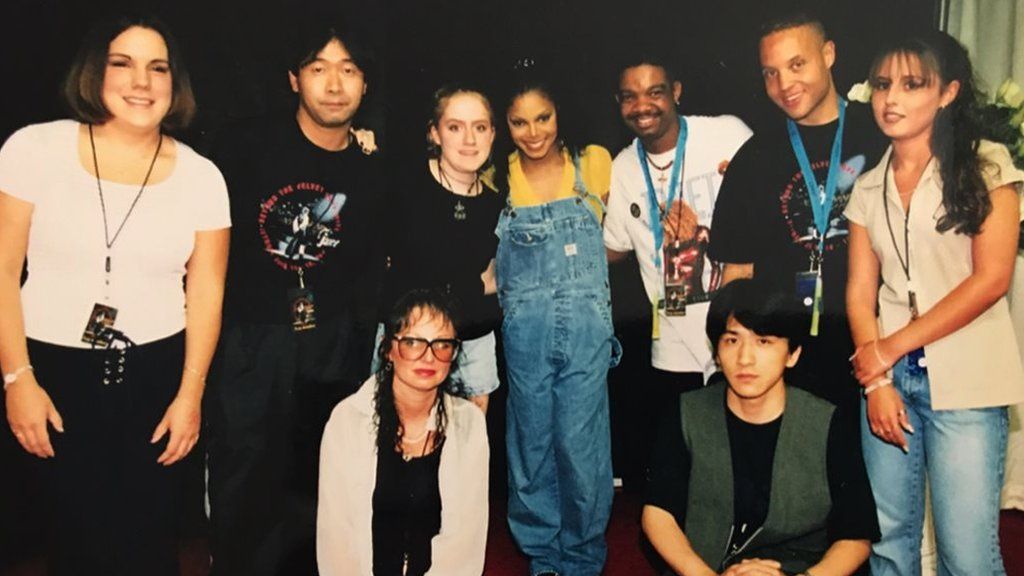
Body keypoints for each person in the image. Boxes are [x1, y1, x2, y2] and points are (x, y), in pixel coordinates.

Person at [0, 14, 230, 575]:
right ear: (92, 73)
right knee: (72, 542)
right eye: (122, 64)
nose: (142, 82)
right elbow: (4, 272)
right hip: (51, 374)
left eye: (158, 68)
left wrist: (190, 393)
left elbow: (206, 291)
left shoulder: (203, 178)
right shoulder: (34, 149)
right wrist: (17, 379)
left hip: (156, 378)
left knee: (149, 544)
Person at [205, 20, 383, 576]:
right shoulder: (242, 146)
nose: (335, 85)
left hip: (332, 343)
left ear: (365, 85)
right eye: (319, 68)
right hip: (251, 339)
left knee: (318, 481)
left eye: (348, 70)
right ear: (293, 79)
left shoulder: (371, 163)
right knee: (243, 477)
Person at [845, 30, 1024, 575]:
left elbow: (991, 280)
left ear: (947, 92)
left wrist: (888, 347)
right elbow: (859, 293)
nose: (890, 99)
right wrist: (877, 381)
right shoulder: (868, 185)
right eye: (881, 85)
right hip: (888, 381)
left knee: (966, 555)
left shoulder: (986, 165)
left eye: (911, 84)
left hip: (967, 381)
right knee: (889, 543)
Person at [708, 11, 888, 411]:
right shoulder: (754, 157)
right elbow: (736, 276)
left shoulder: (879, 134)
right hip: (786, 360)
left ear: (828, 54)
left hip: (876, 348)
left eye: (796, 65)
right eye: (770, 73)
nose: (784, 84)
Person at [643, 279, 878, 576]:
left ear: (792, 354)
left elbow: (856, 535)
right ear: (716, 350)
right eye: (732, 340)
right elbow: (658, 514)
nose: (745, 358)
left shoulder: (827, 421)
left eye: (763, 342)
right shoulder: (686, 412)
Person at [603, 53, 751, 489]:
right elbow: (613, 250)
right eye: (629, 97)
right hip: (674, 342)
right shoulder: (622, 167)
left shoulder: (728, 134)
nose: (642, 106)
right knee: (689, 467)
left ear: (677, 92)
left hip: (739, 326)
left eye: (655, 92)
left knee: (745, 457)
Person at [497, 65, 619, 576]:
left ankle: (583, 557)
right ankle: (542, 558)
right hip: (525, 334)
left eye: (542, 117)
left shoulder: (593, 163)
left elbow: (613, 243)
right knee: (531, 446)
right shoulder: (496, 173)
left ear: (558, 112)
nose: (533, 133)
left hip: (588, 330)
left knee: (582, 446)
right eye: (519, 122)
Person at [317, 289, 489, 576]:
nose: (429, 357)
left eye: (442, 344)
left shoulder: (468, 424)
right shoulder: (347, 419)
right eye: (413, 342)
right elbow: (336, 540)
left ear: (454, 353)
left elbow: (465, 545)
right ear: (388, 349)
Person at [379, 85, 503, 413]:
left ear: (492, 134)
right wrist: (477, 284)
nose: (469, 140)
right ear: (435, 133)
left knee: (465, 452)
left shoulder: (498, 205)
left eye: (479, 127)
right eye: (454, 127)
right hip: (409, 343)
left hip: (473, 346)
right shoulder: (404, 186)